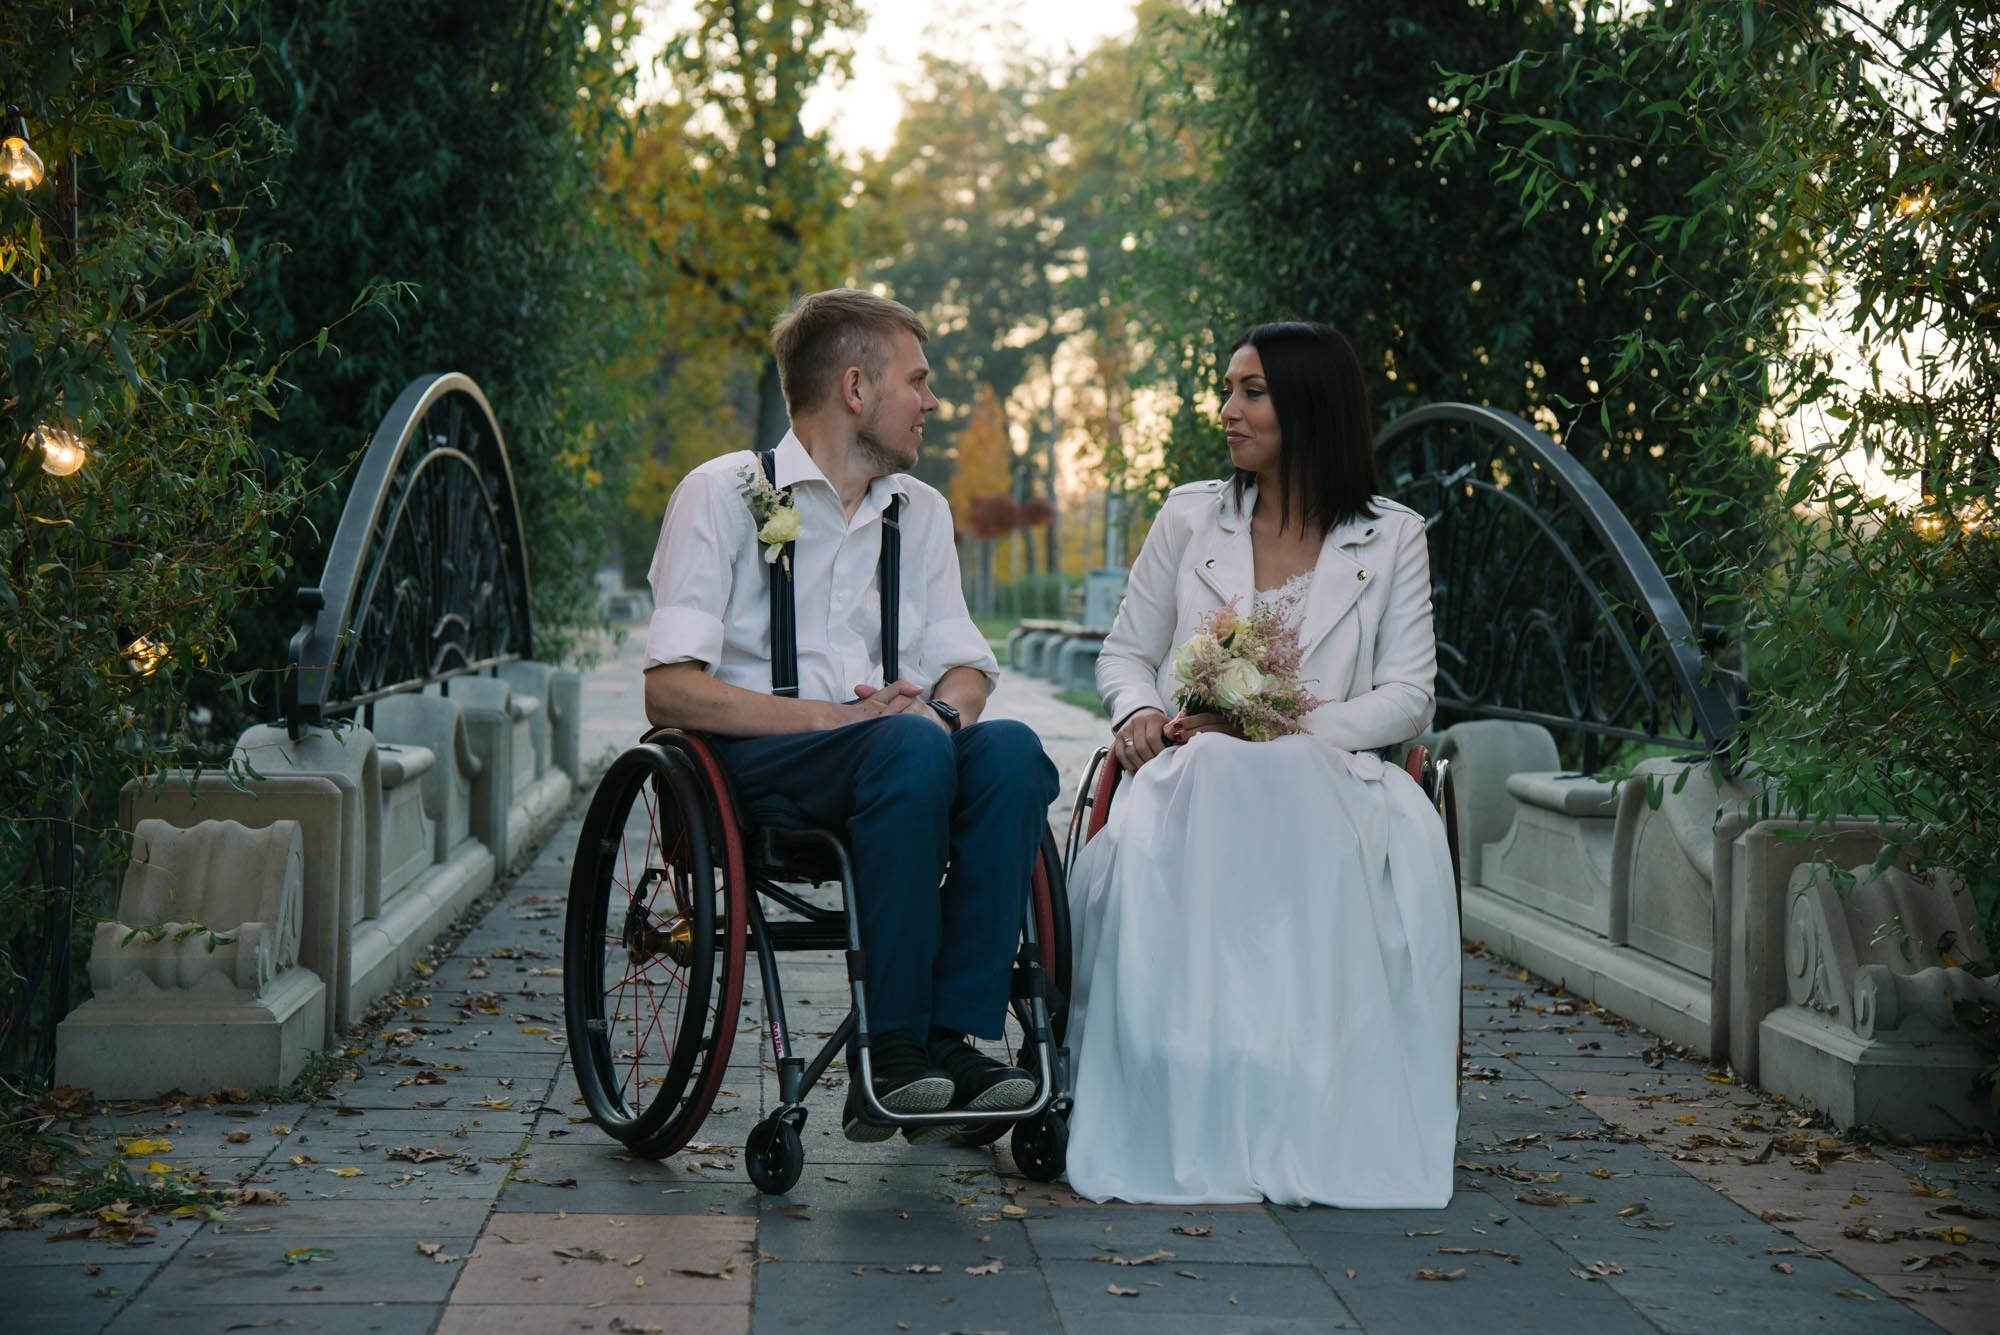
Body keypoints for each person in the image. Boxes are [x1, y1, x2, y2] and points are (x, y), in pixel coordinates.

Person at [642, 289, 1060, 1144]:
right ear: (858, 388)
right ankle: (894, 1050)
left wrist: (942, 711)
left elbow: (966, 667)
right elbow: (670, 691)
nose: (934, 403)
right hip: (760, 765)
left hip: (901, 755)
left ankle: (954, 1038)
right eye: (921, 380)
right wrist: (833, 721)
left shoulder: (923, 513)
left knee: (1011, 750)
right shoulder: (724, 492)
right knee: (904, 745)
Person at [1064, 321, 1459, 1207]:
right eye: (1228, 389)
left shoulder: (1392, 537)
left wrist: (1279, 727)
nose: (1227, 410)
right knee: (1205, 777)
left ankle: (1302, 1087)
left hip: (1330, 775)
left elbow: (1407, 695)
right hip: (1192, 769)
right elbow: (1126, 652)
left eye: (1251, 392)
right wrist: (1136, 712)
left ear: (1308, 406)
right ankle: (1191, 1077)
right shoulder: (1189, 516)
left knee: (1258, 775)